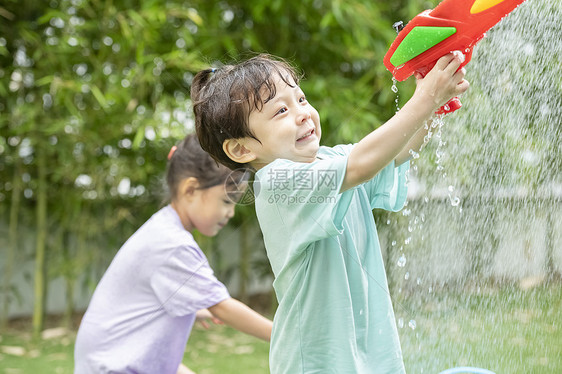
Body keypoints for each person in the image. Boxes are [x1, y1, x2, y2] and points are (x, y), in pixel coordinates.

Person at [193, 53, 469, 373]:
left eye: (301, 98)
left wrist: (434, 101)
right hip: (316, 364)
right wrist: (425, 98)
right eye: (281, 110)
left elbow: (393, 152)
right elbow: (363, 164)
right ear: (243, 149)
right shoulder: (277, 183)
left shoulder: (329, 160)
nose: (302, 114)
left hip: (366, 359)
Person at [74, 134, 272, 374]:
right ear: (190, 189)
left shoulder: (162, 229)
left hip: (109, 360)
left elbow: (148, 301)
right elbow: (223, 307)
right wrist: (282, 335)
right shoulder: (172, 244)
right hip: (112, 366)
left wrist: (196, 310)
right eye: (226, 201)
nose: (230, 213)